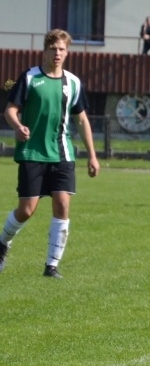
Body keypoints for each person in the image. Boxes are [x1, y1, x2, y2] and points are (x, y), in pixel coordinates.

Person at [0, 29, 100, 278]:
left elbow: (82, 120)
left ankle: (52, 266)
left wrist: (92, 155)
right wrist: (17, 125)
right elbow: (10, 110)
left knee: (63, 204)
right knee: (27, 210)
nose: (57, 53)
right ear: (45, 51)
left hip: (62, 152)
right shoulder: (29, 78)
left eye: (61, 49)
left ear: (67, 53)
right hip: (32, 152)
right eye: (53, 48)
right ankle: (2, 243)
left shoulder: (73, 83)